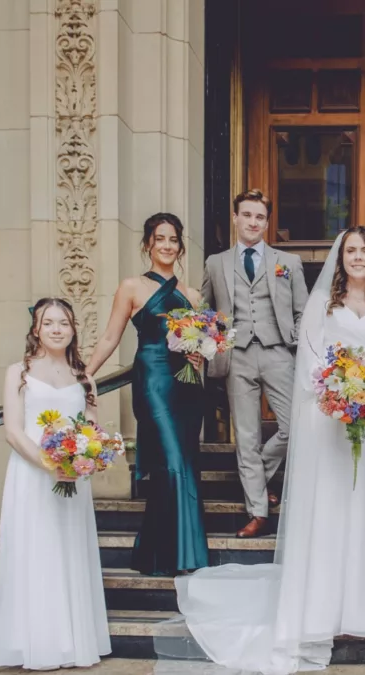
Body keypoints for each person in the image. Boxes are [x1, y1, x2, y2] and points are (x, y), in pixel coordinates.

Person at [168, 227, 365, 674]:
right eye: (351, 251)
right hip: (329, 421)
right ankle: (324, 605)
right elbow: (311, 365)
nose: (357, 258)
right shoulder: (323, 305)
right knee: (333, 508)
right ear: (341, 259)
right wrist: (339, 398)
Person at [0, 298, 111, 669]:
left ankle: (71, 641)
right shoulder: (18, 373)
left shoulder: (83, 377)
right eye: (49, 323)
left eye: (63, 322)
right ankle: (35, 642)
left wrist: (88, 457)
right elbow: (13, 431)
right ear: (36, 330)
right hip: (32, 475)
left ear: (73, 329)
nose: (57, 329)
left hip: (71, 479)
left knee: (69, 551)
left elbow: (91, 429)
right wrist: (49, 463)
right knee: (36, 552)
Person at [86, 213, 208, 576]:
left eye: (173, 240)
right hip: (153, 380)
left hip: (186, 386)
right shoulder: (132, 287)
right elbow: (111, 336)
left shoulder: (192, 295)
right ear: (148, 245)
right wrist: (86, 373)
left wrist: (199, 354)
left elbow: (198, 346)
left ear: (180, 246)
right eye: (160, 239)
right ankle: (177, 555)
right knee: (170, 462)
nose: (167, 246)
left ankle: (161, 554)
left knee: (184, 463)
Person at [201, 189, 308, 538]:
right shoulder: (215, 263)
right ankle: (257, 511)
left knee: (296, 427)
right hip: (237, 356)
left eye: (260, 217)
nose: (253, 222)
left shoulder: (287, 263)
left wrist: (297, 343)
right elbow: (207, 313)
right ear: (235, 218)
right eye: (247, 215)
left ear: (266, 221)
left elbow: (302, 311)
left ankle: (257, 479)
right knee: (246, 437)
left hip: (279, 352)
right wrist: (210, 343)